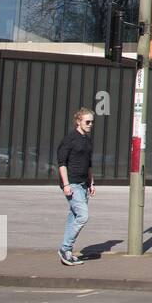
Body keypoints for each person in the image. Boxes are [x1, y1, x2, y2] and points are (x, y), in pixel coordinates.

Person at [56, 107, 95, 265]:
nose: (90, 124)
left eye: (92, 122)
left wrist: (91, 182)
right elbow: (62, 163)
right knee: (83, 216)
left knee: (73, 217)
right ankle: (65, 248)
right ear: (78, 121)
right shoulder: (70, 139)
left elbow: (89, 163)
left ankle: (67, 251)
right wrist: (66, 184)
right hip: (72, 183)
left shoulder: (87, 140)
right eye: (87, 121)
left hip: (83, 184)